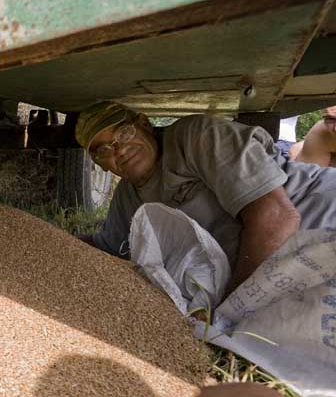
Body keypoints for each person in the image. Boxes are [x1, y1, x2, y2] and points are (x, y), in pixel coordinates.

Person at [74, 102, 336, 296]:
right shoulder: (128, 196)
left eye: (123, 134)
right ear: (101, 165)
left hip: (323, 216)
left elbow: (278, 217)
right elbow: (104, 248)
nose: (119, 150)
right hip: (294, 269)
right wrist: (40, 240)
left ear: (144, 124)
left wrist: (231, 306)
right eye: (103, 150)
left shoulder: (196, 136)